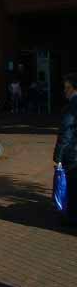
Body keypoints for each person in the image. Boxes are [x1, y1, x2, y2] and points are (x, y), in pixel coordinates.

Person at [53, 73, 77, 224]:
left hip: (73, 153)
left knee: (72, 186)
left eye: (67, 88)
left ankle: (72, 218)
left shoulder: (72, 107)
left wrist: (58, 156)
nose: (64, 91)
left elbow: (66, 134)